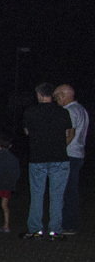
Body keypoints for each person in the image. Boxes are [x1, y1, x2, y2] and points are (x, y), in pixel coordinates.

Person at [21, 83, 74, 240]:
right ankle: (55, 231)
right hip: (59, 158)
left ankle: (36, 230)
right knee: (57, 196)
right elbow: (69, 132)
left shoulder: (30, 111)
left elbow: (26, 131)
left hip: (38, 158)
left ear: (39, 95)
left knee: (37, 194)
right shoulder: (62, 112)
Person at [54, 85, 86, 235]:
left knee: (67, 191)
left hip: (69, 154)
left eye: (58, 96)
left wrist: (57, 151)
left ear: (66, 95)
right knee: (70, 190)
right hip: (78, 153)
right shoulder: (81, 110)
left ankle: (68, 224)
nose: (56, 100)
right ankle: (68, 222)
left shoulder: (69, 111)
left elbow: (69, 134)